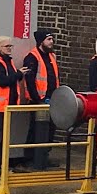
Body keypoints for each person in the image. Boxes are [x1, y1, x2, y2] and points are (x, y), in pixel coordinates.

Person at [0, 36, 28, 176]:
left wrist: (19, 74)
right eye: (6, 46)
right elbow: (3, 81)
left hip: (7, 105)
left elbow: (11, 79)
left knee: (2, 136)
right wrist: (18, 74)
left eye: (11, 46)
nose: (9, 48)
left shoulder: (8, 61)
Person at [22, 28, 61, 170]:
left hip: (52, 100)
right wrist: (37, 98)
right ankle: (30, 158)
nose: (52, 42)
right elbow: (30, 81)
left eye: (52, 39)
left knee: (50, 130)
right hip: (38, 101)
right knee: (36, 130)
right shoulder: (32, 57)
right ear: (41, 42)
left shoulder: (51, 57)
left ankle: (44, 157)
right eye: (49, 39)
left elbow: (54, 77)